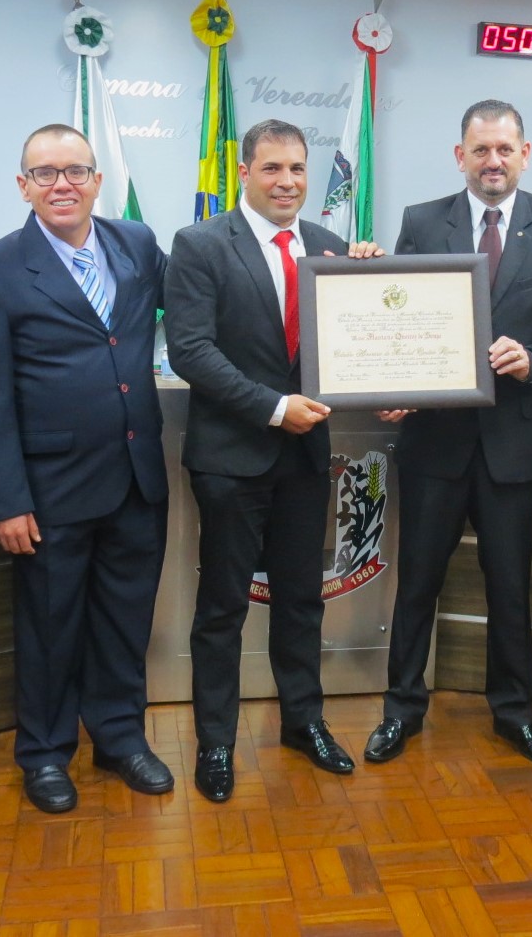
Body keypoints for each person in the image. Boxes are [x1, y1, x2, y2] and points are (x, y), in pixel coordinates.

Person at [364, 99, 532, 768]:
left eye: (504, 149)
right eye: (480, 149)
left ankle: (514, 714)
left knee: (509, 586)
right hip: (434, 441)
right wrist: (393, 388)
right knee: (416, 584)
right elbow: (393, 317)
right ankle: (401, 710)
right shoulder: (420, 220)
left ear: (525, 154)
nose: (492, 160)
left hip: (510, 439)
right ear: (458, 155)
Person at [0, 124, 171, 814]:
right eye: (43, 174)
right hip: (49, 492)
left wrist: (338, 264)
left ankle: (119, 738)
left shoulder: (135, 243)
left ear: (97, 180)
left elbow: (205, 290)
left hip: (136, 476)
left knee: (123, 620)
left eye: (75, 171)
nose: (61, 185)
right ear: (22, 186)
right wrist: (5, 500)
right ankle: (45, 753)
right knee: (49, 627)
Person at [165, 119, 379, 802]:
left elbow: (356, 339)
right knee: (223, 605)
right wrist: (271, 405)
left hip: (304, 459)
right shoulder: (199, 244)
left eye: (296, 169)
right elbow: (190, 351)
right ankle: (218, 743)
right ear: (244, 172)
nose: (286, 181)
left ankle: (303, 722)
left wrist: (367, 281)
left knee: (300, 599)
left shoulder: (327, 246)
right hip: (231, 458)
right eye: (271, 169)